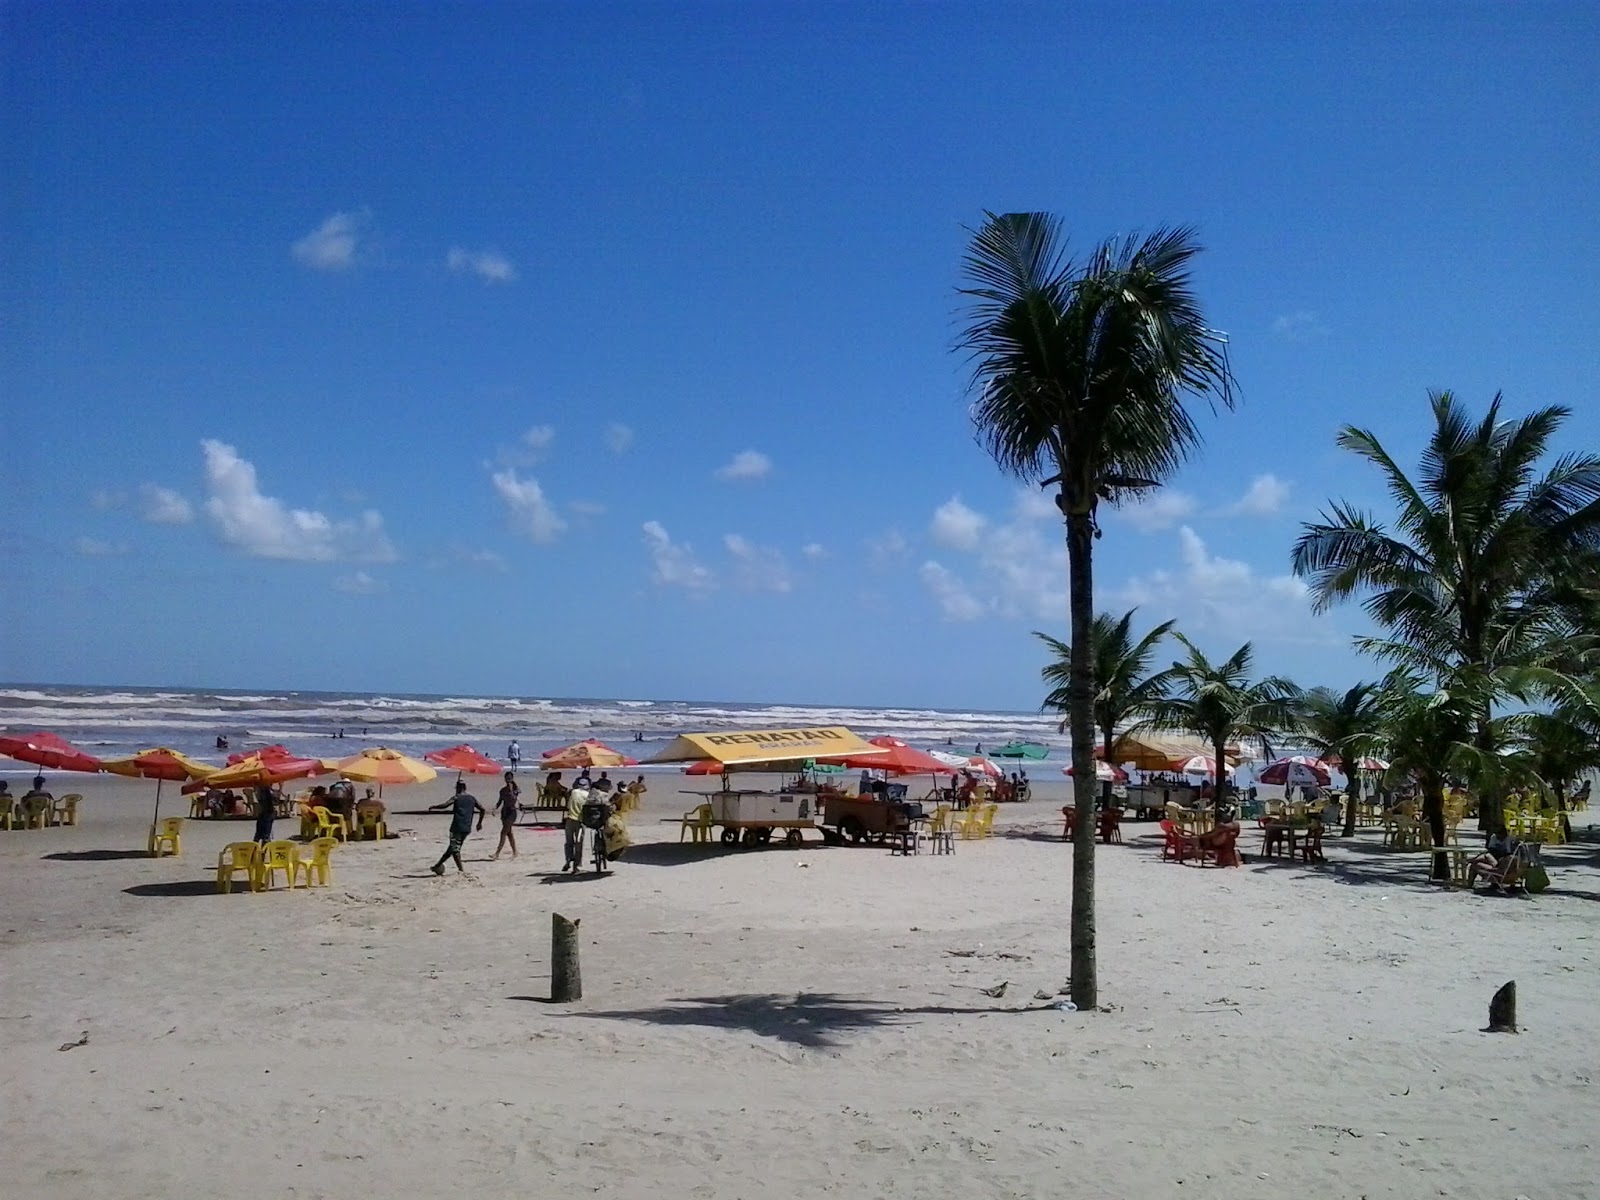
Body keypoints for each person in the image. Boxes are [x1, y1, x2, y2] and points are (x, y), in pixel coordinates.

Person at [431, 781, 486, 875]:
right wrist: (479, 823)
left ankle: (461, 870)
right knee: (452, 848)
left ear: (458, 788)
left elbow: (445, 805)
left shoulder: (456, 797)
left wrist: (433, 807)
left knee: (455, 850)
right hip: (467, 827)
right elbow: (482, 809)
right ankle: (438, 865)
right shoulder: (472, 798)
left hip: (456, 826)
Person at [1468, 825, 1524, 893]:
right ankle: (1473, 861)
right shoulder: (1494, 837)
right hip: (1496, 859)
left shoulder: (1509, 840)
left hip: (1499, 865)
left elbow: (1507, 853)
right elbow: (1491, 849)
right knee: (1485, 856)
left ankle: (1471, 862)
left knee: (1478, 862)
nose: (1500, 836)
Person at [491, 771, 520, 860]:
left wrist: (511, 790)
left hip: (512, 812)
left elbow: (513, 799)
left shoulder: (515, 790)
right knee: (509, 833)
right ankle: (515, 851)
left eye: (509, 778)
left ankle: (497, 853)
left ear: (512, 779)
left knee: (503, 832)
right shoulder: (502, 790)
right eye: (507, 778)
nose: (508, 780)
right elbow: (500, 801)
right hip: (505, 812)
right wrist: (495, 808)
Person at [562, 781, 590, 873]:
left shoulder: (573, 792)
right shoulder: (587, 795)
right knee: (579, 844)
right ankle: (576, 866)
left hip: (570, 819)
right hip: (580, 821)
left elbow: (568, 803)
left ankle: (568, 861)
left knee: (569, 843)